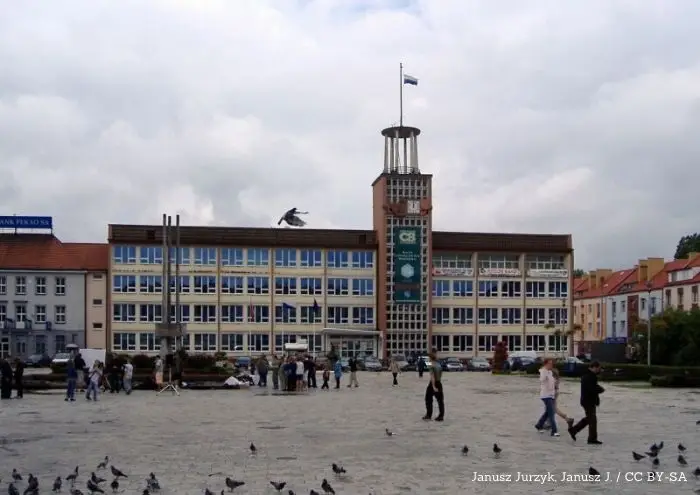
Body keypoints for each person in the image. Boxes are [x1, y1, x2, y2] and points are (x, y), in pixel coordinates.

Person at [568, 361, 604, 444]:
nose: (599, 370)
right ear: (594, 367)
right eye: (598, 368)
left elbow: (593, 386)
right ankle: (591, 439)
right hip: (588, 401)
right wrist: (600, 390)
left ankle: (573, 430)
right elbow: (592, 388)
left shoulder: (589, 375)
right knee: (592, 420)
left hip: (587, 400)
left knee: (590, 419)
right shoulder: (589, 376)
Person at [534, 358, 559, 437]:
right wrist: (545, 375)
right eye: (549, 363)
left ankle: (539, 425)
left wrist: (555, 384)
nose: (551, 365)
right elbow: (542, 380)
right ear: (545, 364)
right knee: (551, 413)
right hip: (545, 395)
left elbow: (552, 383)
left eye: (552, 363)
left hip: (551, 395)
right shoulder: (543, 371)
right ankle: (554, 431)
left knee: (548, 412)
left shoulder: (550, 372)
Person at [422, 351, 444, 421]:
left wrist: (434, 386)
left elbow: (432, 376)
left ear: (430, 358)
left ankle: (429, 414)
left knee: (428, 398)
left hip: (433, 383)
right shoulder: (438, 364)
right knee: (440, 400)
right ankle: (441, 416)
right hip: (439, 382)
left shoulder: (431, 365)